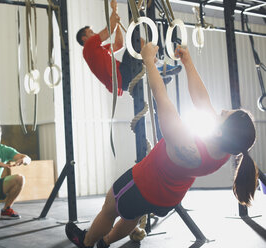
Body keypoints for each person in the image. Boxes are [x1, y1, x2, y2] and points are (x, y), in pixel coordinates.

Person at [65, 43, 258, 248]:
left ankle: (86, 242)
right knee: (132, 214)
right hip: (167, 198)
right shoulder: (224, 149)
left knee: (110, 207)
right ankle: (106, 242)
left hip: (142, 184)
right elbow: (202, 100)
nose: (221, 110)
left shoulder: (187, 144)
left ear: (221, 130)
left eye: (223, 114)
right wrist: (188, 61)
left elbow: (160, 95)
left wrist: (148, 60)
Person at [76, 0, 180, 96]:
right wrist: (114, 9)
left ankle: (158, 75)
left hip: (123, 80)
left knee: (138, 45)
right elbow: (109, 30)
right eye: (90, 32)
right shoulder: (89, 46)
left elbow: (118, 44)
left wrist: (116, 25)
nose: (94, 33)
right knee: (138, 42)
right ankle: (160, 66)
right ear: (84, 38)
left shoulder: (97, 52)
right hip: (121, 74)